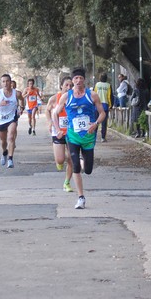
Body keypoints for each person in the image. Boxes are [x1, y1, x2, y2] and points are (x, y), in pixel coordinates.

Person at [51, 67, 106, 209]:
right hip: (73, 136)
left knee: (87, 170)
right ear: (73, 80)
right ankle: (81, 197)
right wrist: (57, 129)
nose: (78, 80)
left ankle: (83, 160)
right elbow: (54, 114)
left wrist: (96, 123)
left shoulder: (92, 95)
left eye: (81, 78)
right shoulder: (66, 96)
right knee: (75, 166)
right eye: (76, 78)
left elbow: (102, 113)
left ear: (84, 80)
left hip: (88, 137)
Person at [0, 74, 25, 169]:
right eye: (3, 81)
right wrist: (0, 104)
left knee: (11, 137)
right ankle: (4, 152)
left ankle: (10, 159)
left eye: (7, 81)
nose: (5, 83)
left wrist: (21, 107)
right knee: (3, 141)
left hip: (12, 119)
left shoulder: (16, 93)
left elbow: (22, 99)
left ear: (10, 82)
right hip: (1, 120)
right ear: (1, 83)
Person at [45, 76, 74, 192]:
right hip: (58, 131)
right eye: (66, 85)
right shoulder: (54, 99)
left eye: (71, 85)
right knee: (61, 159)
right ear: (61, 86)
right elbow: (47, 110)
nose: (69, 87)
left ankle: (67, 182)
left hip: (71, 132)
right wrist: (50, 122)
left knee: (72, 158)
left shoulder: (74, 98)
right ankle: (60, 160)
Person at [93, 73, 112, 143]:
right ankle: (103, 137)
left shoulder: (97, 85)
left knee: (96, 121)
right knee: (104, 122)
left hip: (97, 104)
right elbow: (109, 96)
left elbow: (94, 94)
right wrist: (110, 105)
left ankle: (94, 137)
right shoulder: (108, 85)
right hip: (105, 105)